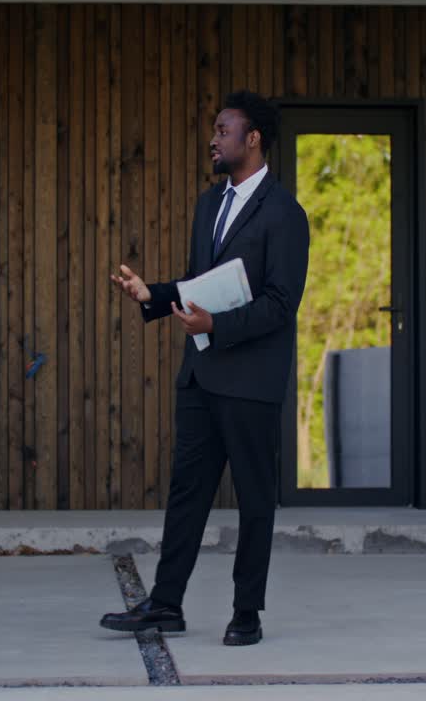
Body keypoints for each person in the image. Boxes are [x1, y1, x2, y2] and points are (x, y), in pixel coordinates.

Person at [102, 91, 310, 646]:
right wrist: (153, 294)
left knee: (254, 498)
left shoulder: (286, 214)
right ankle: (165, 605)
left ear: (253, 138)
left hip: (251, 383)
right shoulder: (207, 204)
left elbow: (280, 303)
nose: (214, 139)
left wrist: (217, 327)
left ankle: (247, 613)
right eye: (215, 130)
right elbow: (202, 287)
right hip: (200, 375)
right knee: (186, 494)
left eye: (223, 129)